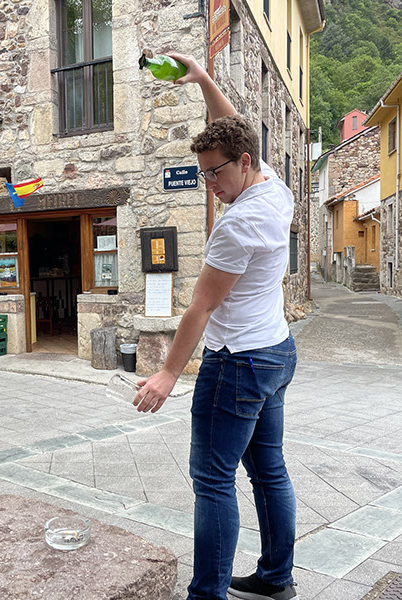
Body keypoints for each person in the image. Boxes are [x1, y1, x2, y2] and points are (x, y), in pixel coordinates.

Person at [133, 53, 298, 600]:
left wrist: (166, 374)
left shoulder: (238, 225)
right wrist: (203, 79)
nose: (209, 184)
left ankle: (206, 595)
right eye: (203, 173)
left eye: (216, 172)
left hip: (237, 364)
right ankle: (275, 579)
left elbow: (199, 309)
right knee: (269, 468)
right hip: (276, 352)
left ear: (243, 163)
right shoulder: (273, 190)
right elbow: (236, 129)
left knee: (212, 479)